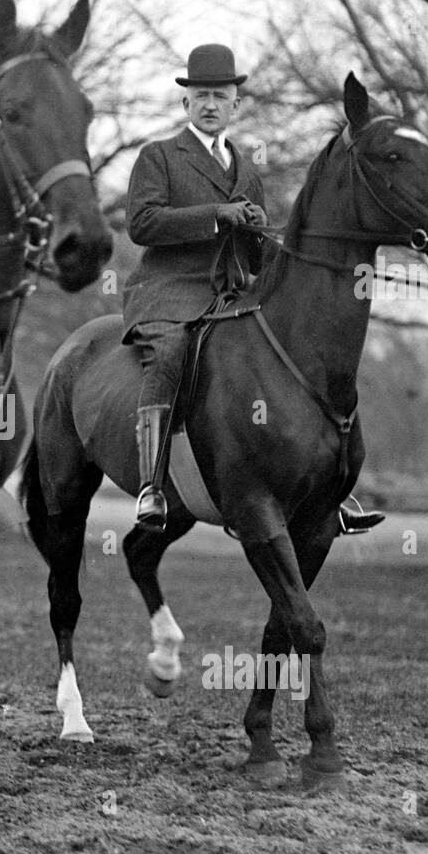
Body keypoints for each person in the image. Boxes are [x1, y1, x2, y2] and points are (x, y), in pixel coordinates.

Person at [122, 43, 383, 536]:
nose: (210, 104)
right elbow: (142, 222)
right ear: (186, 103)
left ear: (235, 105)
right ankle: (151, 484)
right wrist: (217, 216)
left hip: (231, 295)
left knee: (294, 353)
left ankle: (328, 489)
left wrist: (268, 236)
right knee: (174, 350)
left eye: (220, 96)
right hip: (170, 292)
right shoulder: (158, 157)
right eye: (201, 96)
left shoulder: (247, 170)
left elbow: (258, 259)